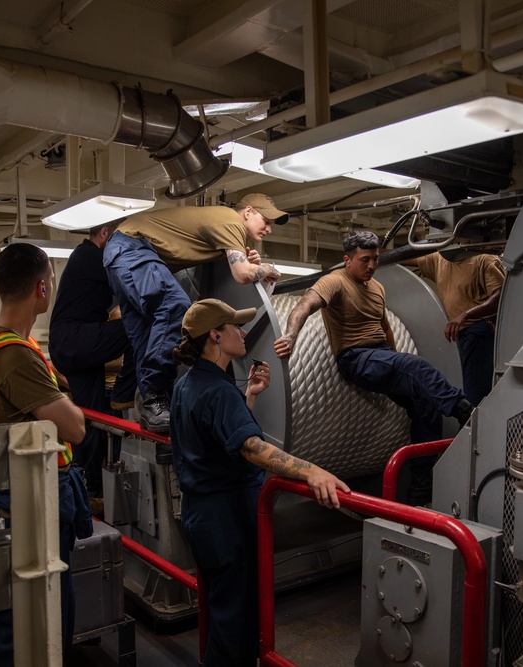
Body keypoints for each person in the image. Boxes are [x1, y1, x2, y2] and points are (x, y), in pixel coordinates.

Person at [170, 298, 349, 666]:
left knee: (223, 613)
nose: (243, 332)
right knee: (236, 628)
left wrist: (248, 398)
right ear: (215, 336)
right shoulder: (219, 391)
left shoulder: (188, 384)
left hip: (202, 515)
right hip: (227, 520)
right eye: (235, 327)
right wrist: (310, 470)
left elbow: (220, 439)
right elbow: (250, 447)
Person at [273, 231, 472, 506]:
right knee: (414, 366)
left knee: (425, 406)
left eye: (375, 259)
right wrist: (291, 336)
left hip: (381, 355)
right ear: (348, 260)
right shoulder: (334, 281)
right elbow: (303, 307)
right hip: (356, 358)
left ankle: (421, 486)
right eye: (364, 260)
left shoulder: (377, 287)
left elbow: (385, 327)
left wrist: (396, 359)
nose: (371, 265)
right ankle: (463, 410)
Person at [0, 242, 92, 666]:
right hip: (33, 502)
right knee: (37, 622)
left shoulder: (5, 342)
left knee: (38, 613)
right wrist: (71, 404)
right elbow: (75, 428)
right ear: (42, 288)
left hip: (32, 496)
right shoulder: (15, 356)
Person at [104, 193, 288, 434]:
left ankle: (137, 399)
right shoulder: (231, 221)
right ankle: (153, 397)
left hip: (120, 254)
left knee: (147, 332)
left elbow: (233, 266)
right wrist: (269, 269)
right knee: (175, 306)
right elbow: (242, 274)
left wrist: (251, 262)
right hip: (133, 248)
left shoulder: (224, 226)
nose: (269, 229)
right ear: (248, 212)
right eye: (266, 221)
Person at [49, 221, 136, 503]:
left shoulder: (86, 259)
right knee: (139, 324)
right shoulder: (89, 255)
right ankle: (125, 391)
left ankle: (90, 489)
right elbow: (132, 279)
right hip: (75, 339)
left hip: (71, 344)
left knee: (92, 419)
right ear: (105, 233)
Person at [403, 251, 504, 404]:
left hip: (479, 331)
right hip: (458, 335)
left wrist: (466, 315)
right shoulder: (440, 258)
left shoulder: (484, 259)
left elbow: (500, 296)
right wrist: (375, 253)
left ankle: (476, 419)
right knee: (463, 386)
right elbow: (407, 257)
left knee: (476, 392)